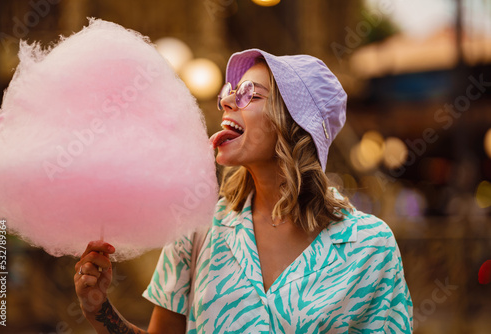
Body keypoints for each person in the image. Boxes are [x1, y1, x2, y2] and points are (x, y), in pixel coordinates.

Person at [74, 48, 413, 333]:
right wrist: (100, 311)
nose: (227, 101)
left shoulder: (370, 246)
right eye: (229, 90)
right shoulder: (196, 227)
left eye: (250, 93)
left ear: (294, 122)